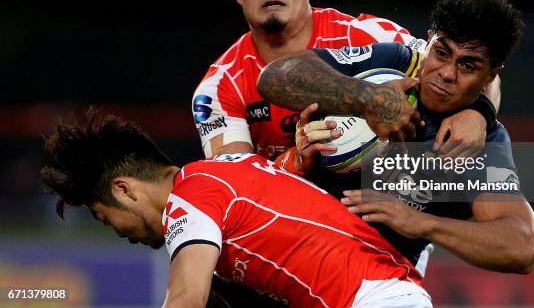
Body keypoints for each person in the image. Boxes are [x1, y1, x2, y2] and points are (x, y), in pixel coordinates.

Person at [257, 0, 534, 273]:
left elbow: (522, 248)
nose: (447, 73)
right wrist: (368, 98)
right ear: (428, 41)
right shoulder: (393, 63)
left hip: (370, 274)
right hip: (292, 235)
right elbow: (274, 76)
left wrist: (420, 224)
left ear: (491, 76)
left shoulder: (480, 142)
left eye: (467, 66)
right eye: (441, 53)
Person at [192, 0, 499, 170]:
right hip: (289, 223)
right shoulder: (218, 88)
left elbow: (470, 70)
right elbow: (236, 185)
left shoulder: (369, 35)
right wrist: (296, 160)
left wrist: (479, 114)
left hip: (382, 215)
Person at [40, 111, 432, 307]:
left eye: (105, 218)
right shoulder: (230, 168)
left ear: (124, 190)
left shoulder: (189, 200)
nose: (120, 234)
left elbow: (185, 298)